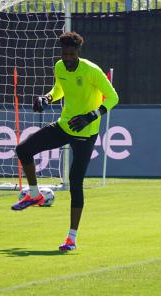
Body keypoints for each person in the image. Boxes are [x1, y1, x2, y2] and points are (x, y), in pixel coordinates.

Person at [12, 32, 119, 251]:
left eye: (71, 54)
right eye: (65, 54)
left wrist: (91, 116)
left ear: (78, 52)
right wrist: (47, 98)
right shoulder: (60, 66)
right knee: (23, 149)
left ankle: (71, 238)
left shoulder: (91, 71)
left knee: (75, 181)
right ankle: (34, 195)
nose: (67, 58)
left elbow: (113, 97)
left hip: (86, 131)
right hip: (65, 125)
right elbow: (59, 90)